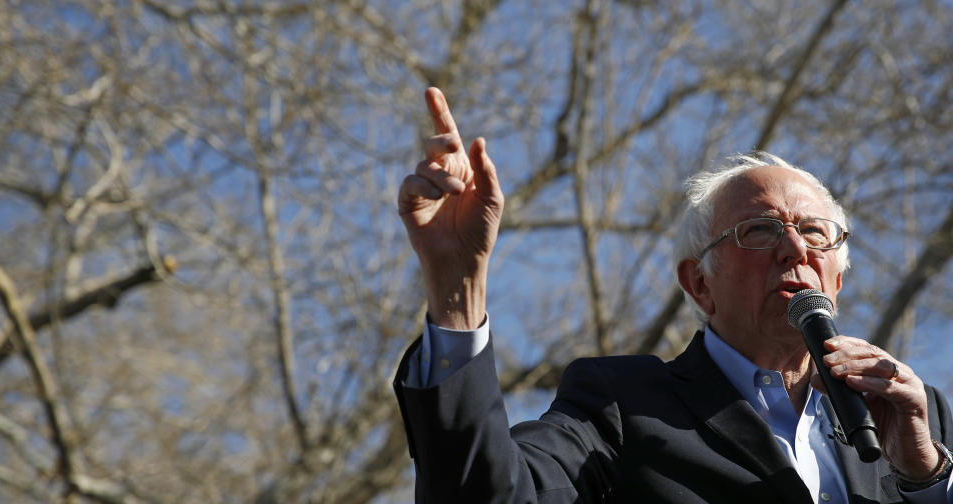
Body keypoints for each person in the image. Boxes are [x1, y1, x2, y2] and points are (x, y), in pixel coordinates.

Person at [393, 87, 953, 503]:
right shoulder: (622, 406)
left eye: (814, 233)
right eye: (759, 231)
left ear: (838, 274)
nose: (794, 250)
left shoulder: (918, 416)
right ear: (698, 283)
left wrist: (925, 481)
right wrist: (457, 288)